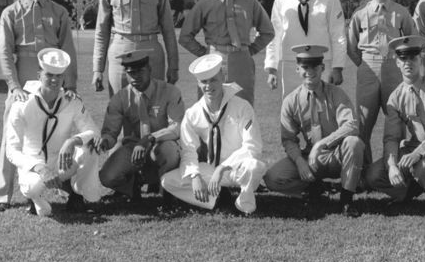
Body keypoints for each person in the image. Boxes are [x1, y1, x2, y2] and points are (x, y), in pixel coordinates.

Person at [0, 0, 79, 212]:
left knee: (62, 130)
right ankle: (2, 195)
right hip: (24, 74)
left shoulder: (59, 11)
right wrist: (14, 86)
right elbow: (5, 51)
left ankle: (73, 189)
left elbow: (68, 50)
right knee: (13, 134)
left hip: (53, 78)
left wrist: (70, 85)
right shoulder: (11, 12)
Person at [264, 45, 364, 218]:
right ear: (297, 69)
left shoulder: (336, 93)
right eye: (305, 67)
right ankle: (314, 188)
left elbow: (352, 125)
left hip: (337, 155)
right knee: (273, 178)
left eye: (314, 66)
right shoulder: (291, 101)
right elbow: (288, 139)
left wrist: (322, 144)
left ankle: (346, 199)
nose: (309, 71)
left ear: (322, 68)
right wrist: (299, 161)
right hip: (310, 158)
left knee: (354, 143)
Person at [161, 54, 267, 215]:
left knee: (254, 166)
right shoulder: (193, 113)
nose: (208, 86)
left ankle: (243, 205)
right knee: (168, 181)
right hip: (210, 171)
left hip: (237, 168)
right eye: (204, 82)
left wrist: (223, 168)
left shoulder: (242, 107)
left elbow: (253, 146)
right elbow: (188, 150)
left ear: (222, 77)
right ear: (198, 83)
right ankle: (218, 198)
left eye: (213, 80)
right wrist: (195, 176)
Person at [6, 48, 100, 217]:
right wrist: (39, 167)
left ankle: (78, 195)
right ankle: (36, 200)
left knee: (90, 148)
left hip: (61, 162)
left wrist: (73, 141)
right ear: (38, 75)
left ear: (64, 78)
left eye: (59, 76)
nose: (54, 80)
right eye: (49, 74)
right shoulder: (21, 104)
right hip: (34, 165)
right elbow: (12, 150)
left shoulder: (72, 101)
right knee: (33, 186)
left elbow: (93, 132)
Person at [362, 35, 425, 217]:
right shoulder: (395, 97)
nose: (408, 62)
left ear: (421, 59)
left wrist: (418, 153)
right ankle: (408, 192)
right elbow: (391, 137)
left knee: (423, 167)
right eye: (403, 58)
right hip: (412, 147)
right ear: (397, 63)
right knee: (374, 174)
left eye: (413, 57)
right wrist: (392, 165)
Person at [179, 0, 274, 105]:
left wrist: (250, 50)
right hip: (213, 63)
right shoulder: (205, 3)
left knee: (243, 109)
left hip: (241, 62)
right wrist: (205, 52)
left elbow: (268, 31)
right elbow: (185, 36)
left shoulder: (249, 2)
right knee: (211, 110)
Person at [347, 0, 417, 164]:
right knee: (363, 122)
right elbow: (352, 47)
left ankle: (398, 168)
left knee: (398, 120)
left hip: (394, 68)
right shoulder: (360, 14)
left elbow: (411, 40)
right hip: (368, 68)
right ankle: (363, 171)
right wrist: (364, 63)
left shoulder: (401, 12)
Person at [93, 0, 178, 96]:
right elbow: (101, 32)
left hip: (151, 53)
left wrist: (174, 66)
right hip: (120, 53)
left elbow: (168, 30)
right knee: (120, 108)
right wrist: (97, 69)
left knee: (153, 109)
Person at [97, 49, 184, 201]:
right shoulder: (121, 98)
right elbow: (111, 132)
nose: (135, 76)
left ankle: (168, 192)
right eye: (130, 73)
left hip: (161, 144)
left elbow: (177, 128)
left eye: (140, 71)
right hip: (134, 148)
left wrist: (150, 138)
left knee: (169, 150)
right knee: (107, 177)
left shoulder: (169, 92)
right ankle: (132, 187)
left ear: (150, 70)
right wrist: (104, 141)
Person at [264, 0, 347, 97]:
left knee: (324, 112)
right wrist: (272, 68)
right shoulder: (281, 0)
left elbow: (338, 35)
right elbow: (274, 36)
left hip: (322, 64)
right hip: (291, 65)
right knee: (293, 113)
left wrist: (337, 67)